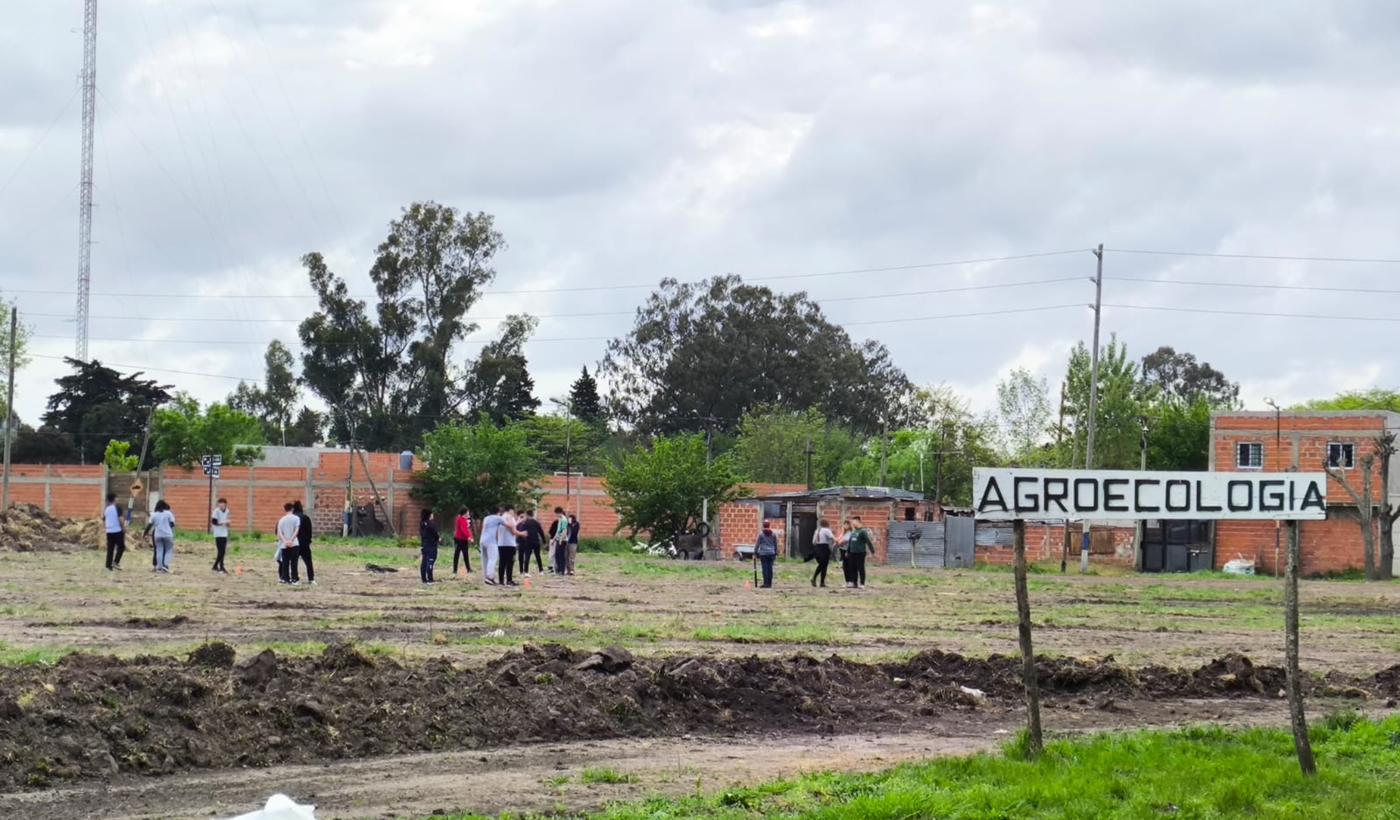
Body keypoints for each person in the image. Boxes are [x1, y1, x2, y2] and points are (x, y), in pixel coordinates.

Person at [496, 505, 524, 587]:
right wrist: (521, 531)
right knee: (509, 563)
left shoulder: (500, 518)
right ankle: (509, 580)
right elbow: (512, 530)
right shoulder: (510, 518)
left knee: (502, 563)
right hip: (509, 544)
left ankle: (501, 581)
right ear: (511, 510)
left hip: (501, 543)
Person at [145, 500, 176, 574]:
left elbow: (149, 525)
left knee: (159, 551)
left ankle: (158, 567)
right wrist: (167, 527)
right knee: (168, 550)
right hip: (167, 534)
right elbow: (172, 523)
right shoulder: (168, 513)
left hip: (157, 535)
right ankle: (165, 565)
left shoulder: (154, 515)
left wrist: (145, 533)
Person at [843, 516, 873, 589]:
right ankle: (854, 583)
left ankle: (862, 583)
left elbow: (868, 541)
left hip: (860, 552)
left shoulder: (863, 531)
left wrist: (872, 550)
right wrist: (848, 551)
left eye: (853, 522)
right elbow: (850, 542)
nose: (852, 523)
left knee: (860, 568)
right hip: (852, 552)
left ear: (857, 522)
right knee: (853, 568)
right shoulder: (853, 531)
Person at [276, 502, 301, 585]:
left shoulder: (281, 520)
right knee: (294, 562)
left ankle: (285, 578)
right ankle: (294, 578)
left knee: (285, 562)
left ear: (285, 510)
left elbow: (280, 533)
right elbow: (296, 530)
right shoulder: (296, 518)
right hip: (294, 543)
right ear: (292, 509)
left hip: (284, 545)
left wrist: (285, 541)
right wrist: (291, 540)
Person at [292, 501, 315, 585]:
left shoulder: (292, 518)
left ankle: (295, 578)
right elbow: (309, 531)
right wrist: (308, 541)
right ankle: (311, 579)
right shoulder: (305, 518)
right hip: (304, 542)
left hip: (294, 543)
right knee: (308, 562)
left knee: (294, 562)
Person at [518, 510, 546, 577]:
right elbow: (541, 532)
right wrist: (544, 541)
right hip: (536, 541)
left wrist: (520, 540)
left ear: (527, 515)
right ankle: (541, 570)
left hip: (528, 541)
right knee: (538, 556)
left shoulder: (525, 523)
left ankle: (526, 571)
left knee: (527, 556)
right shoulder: (536, 522)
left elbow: (521, 531)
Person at [479, 507, 502, 585]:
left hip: (482, 540)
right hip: (491, 541)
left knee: (484, 559)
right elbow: (507, 523)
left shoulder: (486, 518)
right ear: (498, 512)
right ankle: (490, 577)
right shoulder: (497, 518)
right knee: (492, 558)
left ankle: (486, 577)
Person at [103, 493, 126, 571]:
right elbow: (120, 519)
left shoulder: (106, 509)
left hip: (109, 531)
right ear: (115, 499)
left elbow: (104, 520)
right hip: (117, 530)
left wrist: (106, 528)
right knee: (121, 547)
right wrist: (123, 527)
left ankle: (108, 565)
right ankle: (116, 562)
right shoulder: (117, 508)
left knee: (110, 548)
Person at [810, 519, 835, 588]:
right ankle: (818, 579)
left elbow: (813, 542)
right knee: (824, 565)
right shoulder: (827, 530)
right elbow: (832, 538)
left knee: (821, 565)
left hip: (817, 548)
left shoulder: (817, 530)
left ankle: (819, 581)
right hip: (824, 548)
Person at [755, 519, 778, 589]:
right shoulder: (773, 534)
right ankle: (770, 583)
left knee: (765, 568)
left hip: (763, 554)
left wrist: (755, 552)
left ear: (763, 525)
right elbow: (775, 544)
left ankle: (766, 583)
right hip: (771, 553)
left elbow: (757, 544)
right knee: (770, 568)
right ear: (769, 525)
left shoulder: (761, 534)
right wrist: (775, 552)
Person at [211, 498, 231, 574]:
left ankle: (215, 566)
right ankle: (221, 567)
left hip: (224, 533)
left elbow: (228, 522)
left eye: (223, 503)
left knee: (222, 551)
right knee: (220, 551)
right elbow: (214, 522)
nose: (221, 505)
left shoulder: (227, 511)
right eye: (220, 503)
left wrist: (228, 524)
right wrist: (224, 522)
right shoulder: (216, 511)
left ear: (225, 504)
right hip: (218, 533)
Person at [420, 508, 440, 585]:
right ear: (429, 515)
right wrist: (438, 538)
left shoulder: (422, 524)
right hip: (431, 545)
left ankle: (424, 579)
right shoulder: (431, 525)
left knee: (424, 562)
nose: (433, 515)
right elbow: (435, 534)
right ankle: (430, 579)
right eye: (431, 514)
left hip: (424, 545)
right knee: (430, 561)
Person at [452, 506, 473, 576]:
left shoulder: (460, 518)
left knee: (462, 554)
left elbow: (466, 529)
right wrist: (469, 537)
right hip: (460, 539)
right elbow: (463, 529)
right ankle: (457, 569)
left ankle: (465, 569)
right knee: (460, 554)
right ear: (465, 512)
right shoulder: (462, 519)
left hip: (461, 539)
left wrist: (469, 536)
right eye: (467, 512)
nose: (468, 513)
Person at [549, 507, 569, 575]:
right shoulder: (560, 519)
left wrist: (561, 540)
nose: (556, 515)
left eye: (556, 514)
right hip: (558, 539)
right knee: (557, 555)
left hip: (562, 540)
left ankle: (562, 570)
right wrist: (554, 539)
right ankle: (558, 569)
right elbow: (558, 531)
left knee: (561, 555)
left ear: (559, 513)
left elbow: (564, 531)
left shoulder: (564, 520)